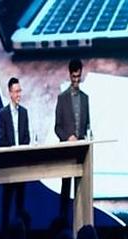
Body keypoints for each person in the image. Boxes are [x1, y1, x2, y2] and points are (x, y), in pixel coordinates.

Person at [54, 58, 91, 221]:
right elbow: (57, 127)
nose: (76, 80)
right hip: (67, 151)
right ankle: (63, 220)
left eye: (78, 76)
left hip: (81, 151)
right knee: (66, 186)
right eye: (74, 77)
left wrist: (88, 136)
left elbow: (88, 124)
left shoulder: (85, 98)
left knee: (81, 186)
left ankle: (81, 219)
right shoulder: (62, 98)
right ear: (70, 75)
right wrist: (67, 137)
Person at [0, 77, 31, 229]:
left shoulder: (24, 112)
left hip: (21, 163)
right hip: (9, 164)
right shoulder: (3, 114)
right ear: (10, 93)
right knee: (7, 201)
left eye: (20, 91)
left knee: (20, 202)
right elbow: (2, 139)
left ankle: (20, 232)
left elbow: (27, 137)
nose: (19, 94)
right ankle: (4, 232)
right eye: (16, 92)